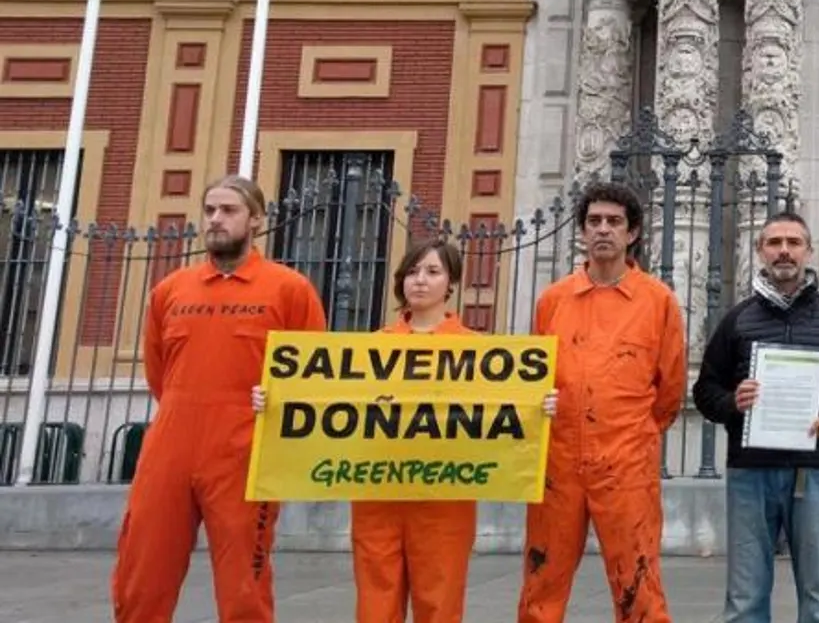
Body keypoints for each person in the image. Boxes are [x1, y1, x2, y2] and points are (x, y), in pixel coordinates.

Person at [250, 237, 539, 623]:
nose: (420, 280)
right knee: (375, 604)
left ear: (450, 283)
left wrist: (539, 407)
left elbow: (502, 412)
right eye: (413, 272)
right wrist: (274, 401)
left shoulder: (477, 351)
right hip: (377, 496)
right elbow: (325, 403)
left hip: (444, 499)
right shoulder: (372, 348)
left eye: (433, 272)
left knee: (439, 604)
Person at [110, 175, 328, 623]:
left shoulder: (290, 289)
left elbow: (312, 373)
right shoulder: (170, 290)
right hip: (170, 443)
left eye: (228, 210)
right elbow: (158, 372)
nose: (215, 219)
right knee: (141, 574)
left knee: (244, 587)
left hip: (246, 451)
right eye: (209, 210)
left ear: (256, 220)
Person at [692, 210, 819, 623]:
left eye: (793, 243)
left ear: (809, 252)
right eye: (774, 243)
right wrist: (732, 403)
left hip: (814, 471)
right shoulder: (737, 319)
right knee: (744, 599)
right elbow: (704, 391)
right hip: (750, 473)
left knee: (818, 596)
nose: (784, 251)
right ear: (760, 251)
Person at [518, 181, 688, 623]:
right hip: (558, 462)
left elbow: (670, 388)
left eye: (614, 222)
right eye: (594, 221)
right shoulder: (553, 300)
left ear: (632, 233)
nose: (603, 230)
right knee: (542, 581)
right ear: (582, 231)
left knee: (638, 580)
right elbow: (537, 376)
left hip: (627, 461)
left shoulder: (658, 300)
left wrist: (636, 433)